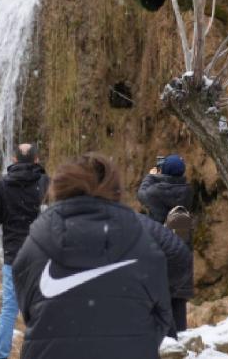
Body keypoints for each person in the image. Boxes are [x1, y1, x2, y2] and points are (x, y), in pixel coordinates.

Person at [13, 153, 173, 358]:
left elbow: (28, 309)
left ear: (59, 188)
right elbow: (162, 314)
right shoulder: (144, 244)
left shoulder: (35, 245)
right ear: (115, 189)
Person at [0, 144, 49, 359]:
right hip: (39, 252)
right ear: (36, 159)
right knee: (39, 308)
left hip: (13, 253)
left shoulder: (3, 184)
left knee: (9, 309)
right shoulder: (44, 183)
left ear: (14, 159)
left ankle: (0, 356)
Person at [137, 153, 194, 335]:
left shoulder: (155, 192)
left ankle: (164, 337)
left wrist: (152, 175)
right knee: (179, 296)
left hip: (161, 247)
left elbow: (142, 194)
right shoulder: (189, 191)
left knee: (161, 294)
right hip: (183, 247)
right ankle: (182, 334)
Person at [137, 154, 193, 224]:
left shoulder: (156, 191)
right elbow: (171, 183)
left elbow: (141, 194)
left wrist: (151, 176)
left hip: (158, 230)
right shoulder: (188, 190)